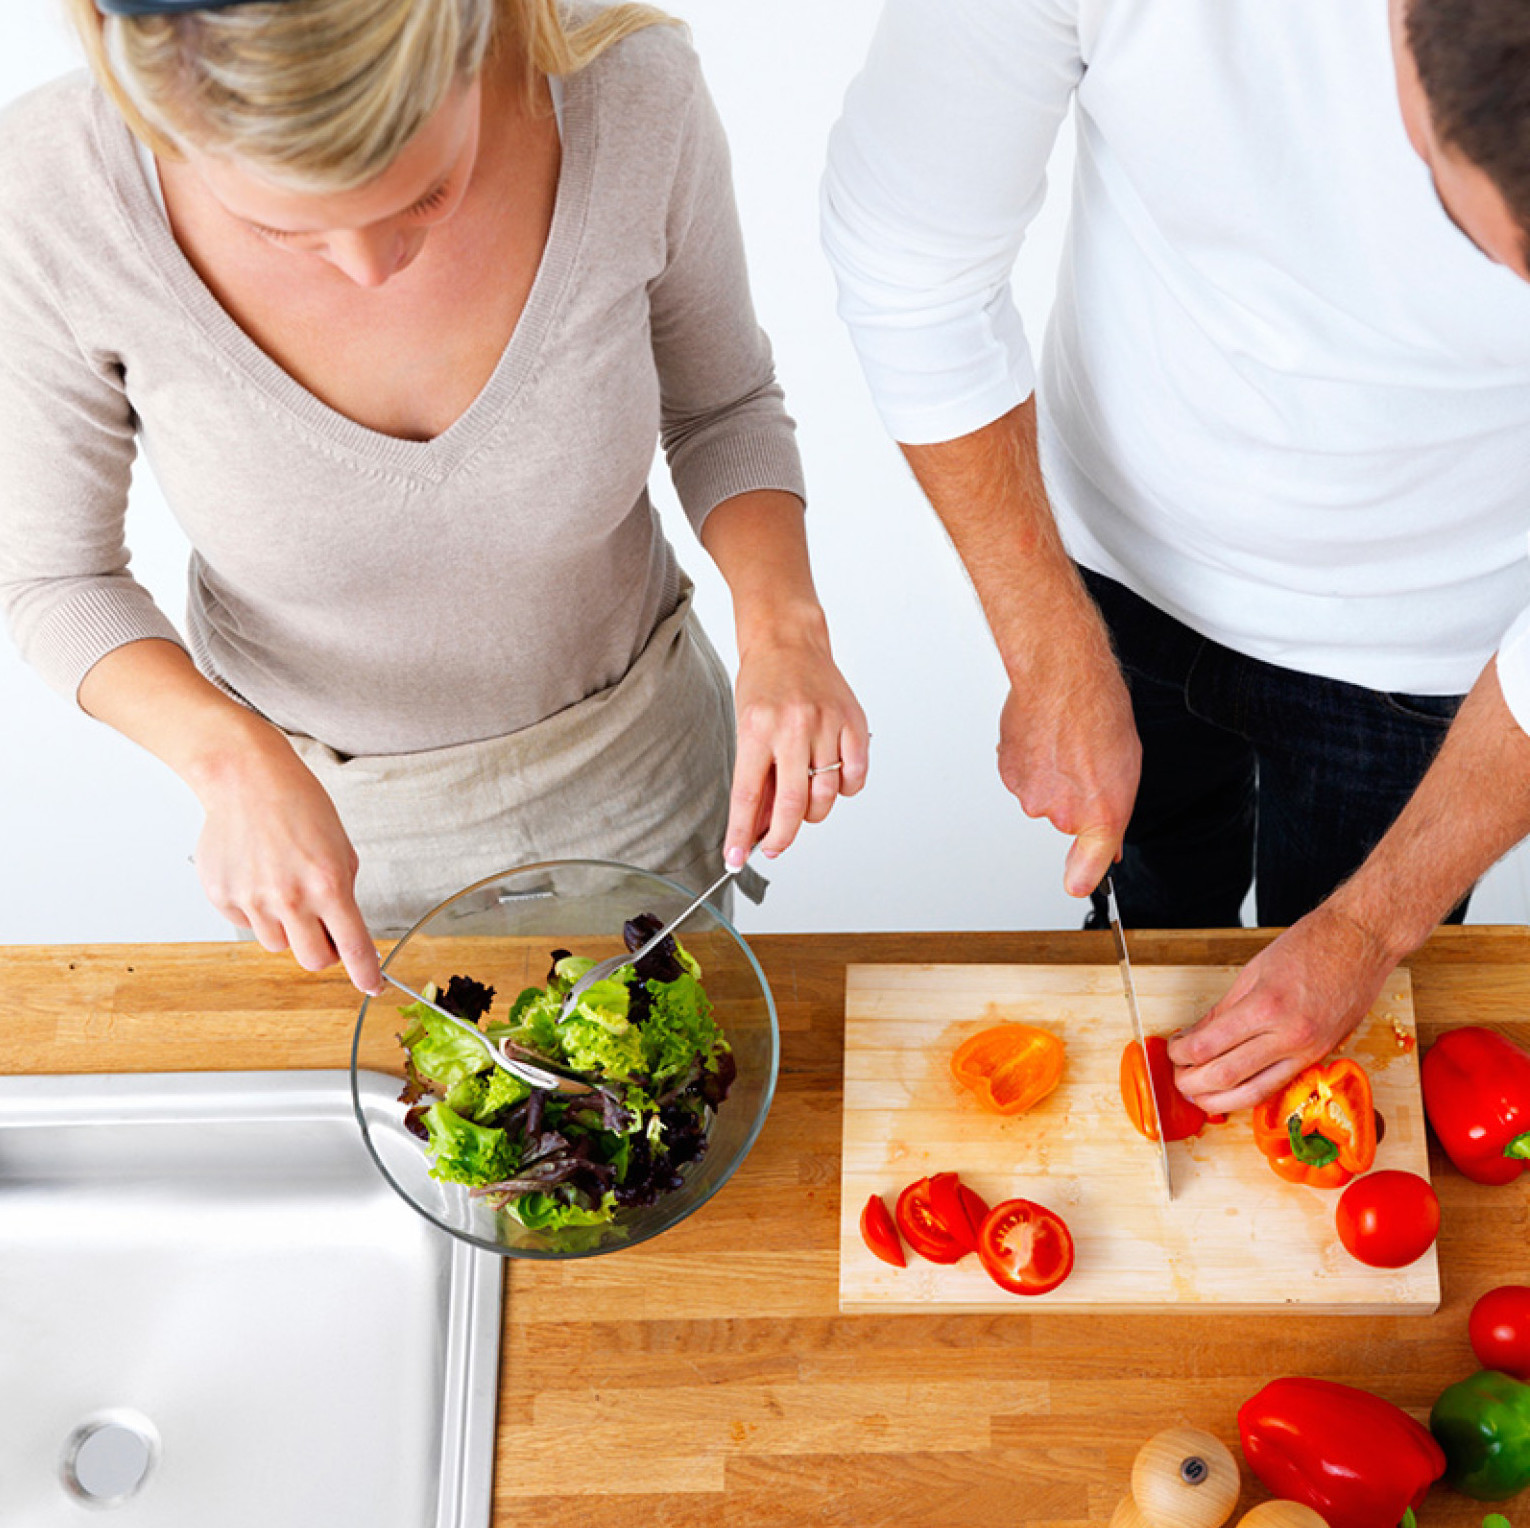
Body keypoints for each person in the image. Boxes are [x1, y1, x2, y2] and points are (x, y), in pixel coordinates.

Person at [0, 0, 868, 994]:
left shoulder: (627, 91)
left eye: (426, 194)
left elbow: (724, 409)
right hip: (326, 867)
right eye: (281, 228)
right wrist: (226, 762)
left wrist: (786, 629)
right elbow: (57, 576)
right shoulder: (54, 191)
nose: (369, 270)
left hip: (646, 795)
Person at [823, 0, 1530, 1112]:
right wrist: (1047, 635)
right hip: (1114, 558)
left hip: (1438, 654)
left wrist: (1370, 921)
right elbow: (911, 262)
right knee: (1154, 892)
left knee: (1341, 1013)